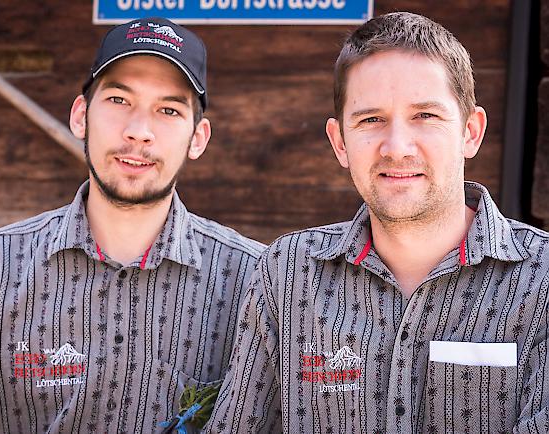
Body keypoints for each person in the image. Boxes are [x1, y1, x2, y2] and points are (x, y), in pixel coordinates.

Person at [0, 17, 264, 433]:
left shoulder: (253, 279)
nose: (139, 132)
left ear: (197, 138)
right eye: (119, 100)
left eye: (168, 110)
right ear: (80, 117)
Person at [205, 12, 548, 434]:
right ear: (340, 142)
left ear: (470, 132)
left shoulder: (543, 280)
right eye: (371, 119)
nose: (397, 147)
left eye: (425, 115)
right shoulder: (287, 273)